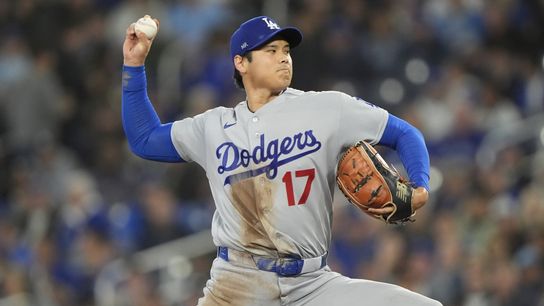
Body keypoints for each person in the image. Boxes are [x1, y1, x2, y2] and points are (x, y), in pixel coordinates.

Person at [122, 15, 442, 306]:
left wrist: (421, 183)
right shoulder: (213, 127)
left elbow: (405, 134)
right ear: (241, 63)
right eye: (270, 50)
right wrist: (134, 65)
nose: (283, 57)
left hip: (312, 284)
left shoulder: (328, 109)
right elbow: (144, 139)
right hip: (237, 285)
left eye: (285, 49)